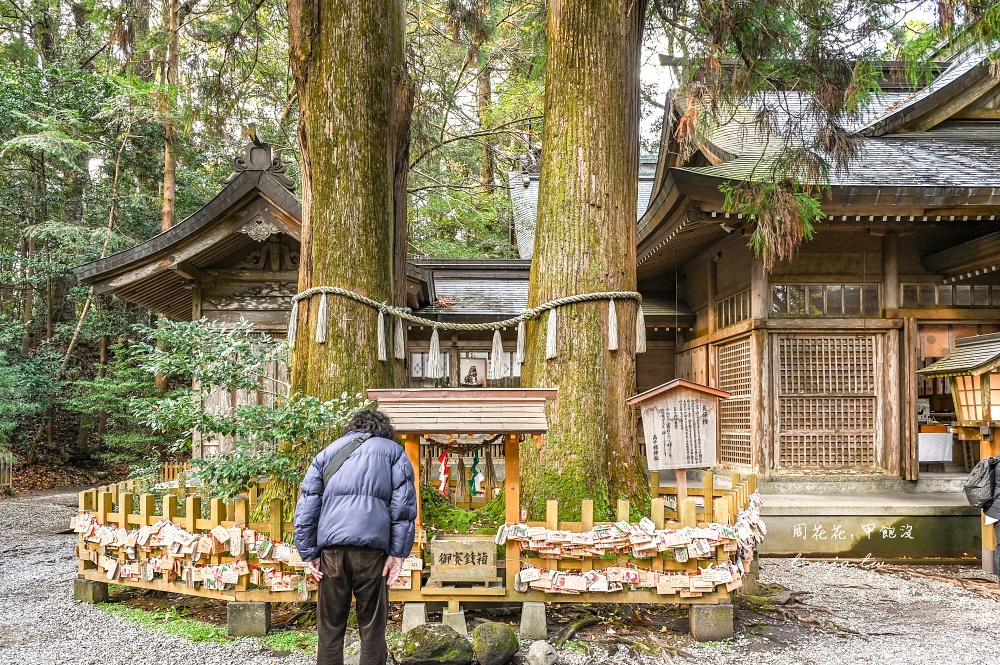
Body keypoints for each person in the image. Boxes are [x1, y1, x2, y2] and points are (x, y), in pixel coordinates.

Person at [294, 409, 417, 665]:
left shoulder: (327, 453)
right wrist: (397, 554)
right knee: (372, 625)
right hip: (372, 550)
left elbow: (307, 506)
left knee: (330, 625)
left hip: (331, 550)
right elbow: (403, 507)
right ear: (384, 429)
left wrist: (309, 553)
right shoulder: (394, 452)